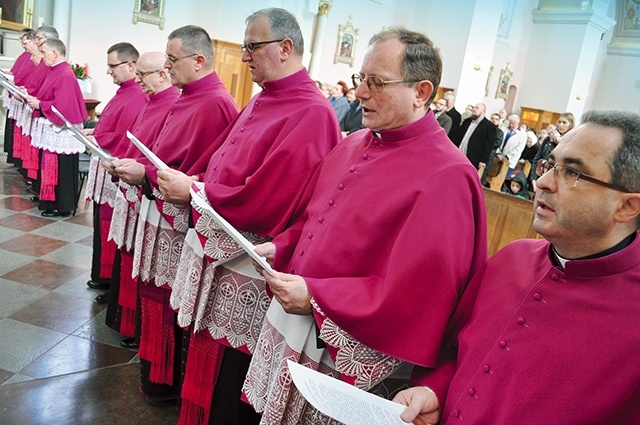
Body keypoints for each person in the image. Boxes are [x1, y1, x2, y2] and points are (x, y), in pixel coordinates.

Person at [244, 26, 487, 424]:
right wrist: (282, 247)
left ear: (421, 92)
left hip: (343, 352)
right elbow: (313, 218)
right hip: (296, 325)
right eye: (361, 79)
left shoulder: (448, 176)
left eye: (376, 82)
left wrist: (319, 296)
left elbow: (420, 293)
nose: (359, 93)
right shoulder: (354, 141)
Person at [394, 110, 640, 425]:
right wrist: (433, 391)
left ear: (627, 206)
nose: (542, 182)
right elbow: (454, 350)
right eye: (551, 165)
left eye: (572, 173)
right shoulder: (511, 259)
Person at [157, 8, 341, 424]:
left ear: (285, 48)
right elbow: (223, 158)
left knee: (229, 377)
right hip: (223, 244)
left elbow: (273, 195)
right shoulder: (265, 97)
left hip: (250, 259)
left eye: (251, 47)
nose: (243, 57)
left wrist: (198, 191)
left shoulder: (311, 111)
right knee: (206, 353)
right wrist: (199, 182)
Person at [123, 24, 237, 407]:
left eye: (172, 60)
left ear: (199, 59)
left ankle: (165, 380)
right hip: (160, 210)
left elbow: (203, 170)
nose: (167, 67)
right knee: (153, 295)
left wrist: (149, 173)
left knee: (170, 300)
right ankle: (155, 375)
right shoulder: (186, 96)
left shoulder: (216, 102)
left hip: (180, 220)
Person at [104, 51, 180, 348]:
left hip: (155, 197)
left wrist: (141, 172)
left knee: (145, 266)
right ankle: (127, 318)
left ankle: (136, 326)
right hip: (138, 189)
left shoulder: (171, 102)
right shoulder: (152, 101)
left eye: (142, 75)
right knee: (130, 257)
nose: (137, 81)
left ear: (162, 74)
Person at [84, 43, 149, 300]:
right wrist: (97, 132)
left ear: (130, 65)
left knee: (111, 227)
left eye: (113, 65)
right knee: (103, 225)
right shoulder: (125, 91)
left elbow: (127, 136)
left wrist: (99, 136)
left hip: (119, 167)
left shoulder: (137, 95)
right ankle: (103, 276)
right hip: (109, 163)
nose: (109, 71)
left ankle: (109, 281)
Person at [25, 38, 87, 217]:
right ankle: (53, 202)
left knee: (63, 169)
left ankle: (63, 205)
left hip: (62, 132)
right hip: (52, 127)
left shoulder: (65, 74)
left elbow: (63, 108)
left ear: (55, 53)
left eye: (44, 52)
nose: (41, 56)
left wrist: (40, 105)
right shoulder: (55, 71)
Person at [531, 112, 575, 191]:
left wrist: (559, 143)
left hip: (557, 181)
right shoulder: (548, 139)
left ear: (571, 125)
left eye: (564, 122)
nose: (561, 125)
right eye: (559, 122)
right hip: (541, 176)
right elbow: (537, 159)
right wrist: (533, 179)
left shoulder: (571, 142)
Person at [451, 102, 496, 170]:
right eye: (474, 107)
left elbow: (488, 145)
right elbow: (457, 136)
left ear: (483, 111)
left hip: (473, 158)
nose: (474, 109)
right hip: (458, 153)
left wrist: (483, 160)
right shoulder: (467, 121)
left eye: (477, 108)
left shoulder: (489, 126)